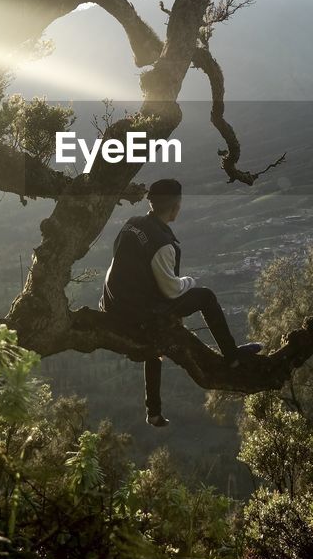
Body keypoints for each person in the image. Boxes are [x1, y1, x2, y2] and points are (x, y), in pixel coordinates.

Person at [100, 178, 262, 427]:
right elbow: (172, 290)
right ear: (176, 207)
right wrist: (190, 281)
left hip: (113, 303)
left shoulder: (132, 224)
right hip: (137, 312)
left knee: (153, 347)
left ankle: (153, 412)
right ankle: (232, 356)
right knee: (205, 297)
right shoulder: (163, 244)